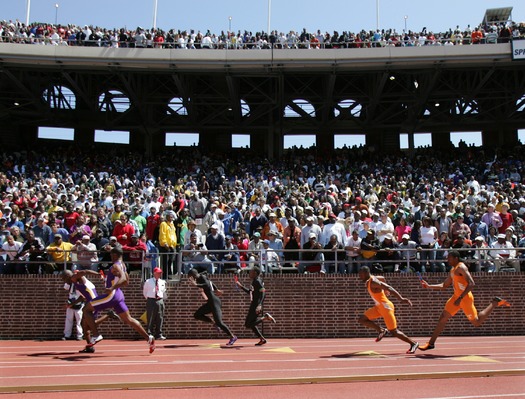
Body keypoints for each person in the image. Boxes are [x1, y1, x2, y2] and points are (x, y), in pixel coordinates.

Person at [418, 250, 511, 351]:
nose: (447, 260)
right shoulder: (453, 270)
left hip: (465, 298)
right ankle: (431, 343)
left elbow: (471, 283)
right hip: (456, 298)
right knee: (443, 318)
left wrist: (461, 298)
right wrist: (429, 286)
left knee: (477, 322)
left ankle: (494, 303)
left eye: (449, 258)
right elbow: (444, 285)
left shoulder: (461, 267)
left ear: (455, 258)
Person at [81, 246, 156, 353]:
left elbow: (124, 279)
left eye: (111, 255)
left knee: (86, 309)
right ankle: (149, 338)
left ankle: (96, 334)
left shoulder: (116, 265)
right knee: (128, 319)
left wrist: (112, 287)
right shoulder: (123, 265)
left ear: (115, 255)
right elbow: (126, 282)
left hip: (112, 295)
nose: (110, 257)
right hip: (119, 295)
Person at [358, 266, 419, 354]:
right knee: (362, 319)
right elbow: (382, 278)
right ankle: (381, 330)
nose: (360, 277)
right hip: (378, 307)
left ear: (367, 273)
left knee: (394, 331)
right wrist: (384, 291)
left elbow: (389, 287)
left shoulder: (373, 282)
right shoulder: (373, 279)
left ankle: (413, 343)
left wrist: (401, 299)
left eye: (361, 275)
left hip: (386, 308)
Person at [188, 268, 237, 346]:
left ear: (193, 275)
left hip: (214, 302)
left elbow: (207, 284)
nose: (190, 279)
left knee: (219, 322)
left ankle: (233, 336)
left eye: (190, 277)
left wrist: (196, 285)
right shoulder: (200, 277)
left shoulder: (201, 278)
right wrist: (216, 289)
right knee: (197, 315)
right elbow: (210, 282)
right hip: (210, 303)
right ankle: (214, 323)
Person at [234, 266, 276, 345]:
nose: (249, 273)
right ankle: (262, 339)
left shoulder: (257, 281)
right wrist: (241, 287)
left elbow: (263, 292)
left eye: (251, 272)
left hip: (256, 305)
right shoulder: (254, 281)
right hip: (254, 304)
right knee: (252, 324)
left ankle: (265, 317)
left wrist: (259, 305)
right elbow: (250, 292)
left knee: (248, 324)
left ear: (255, 273)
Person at [143, 267, 167, 340]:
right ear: (154, 273)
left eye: (160, 273)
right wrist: (149, 298)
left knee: (160, 317)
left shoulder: (163, 282)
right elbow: (145, 291)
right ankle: (149, 333)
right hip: (151, 300)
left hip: (160, 300)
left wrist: (161, 299)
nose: (159, 274)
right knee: (150, 317)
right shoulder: (148, 281)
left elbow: (163, 291)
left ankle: (159, 334)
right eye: (158, 273)